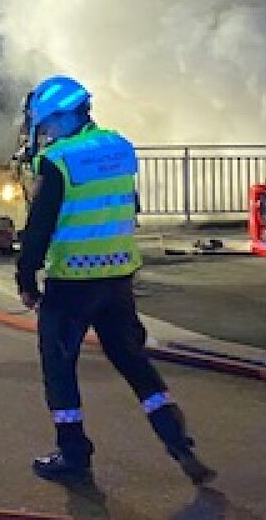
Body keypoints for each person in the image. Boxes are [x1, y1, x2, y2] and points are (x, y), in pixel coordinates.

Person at [15, 76, 213, 486]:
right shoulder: (121, 148)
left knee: (60, 366)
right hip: (118, 277)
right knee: (132, 361)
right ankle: (176, 439)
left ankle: (73, 453)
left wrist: (26, 277)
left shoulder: (58, 160)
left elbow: (39, 228)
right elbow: (127, 205)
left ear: (66, 115)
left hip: (71, 282)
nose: (46, 132)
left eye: (48, 123)